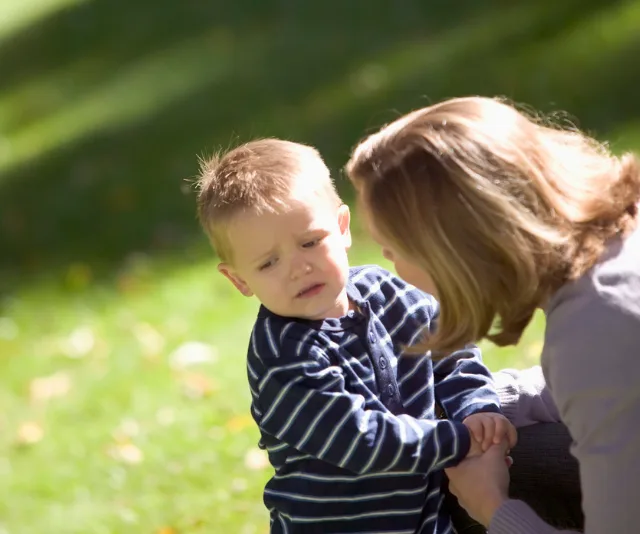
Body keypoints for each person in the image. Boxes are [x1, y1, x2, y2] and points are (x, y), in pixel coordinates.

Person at [345, 95, 640, 533]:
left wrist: (492, 508)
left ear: (456, 251)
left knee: (458, 480)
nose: (391, 268)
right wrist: (474, 404)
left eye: (393, 250)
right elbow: (607, 396)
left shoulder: (595, 326)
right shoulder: (615, 257)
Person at [195, 138, 517, 533]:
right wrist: (462, 438)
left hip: (426, 517)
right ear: (239, 279)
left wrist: (477, 409)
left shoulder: (388, 294)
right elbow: (364, 441)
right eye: (269, 263)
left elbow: (451, 350)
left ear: (342, 227)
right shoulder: (283, 356)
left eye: (310, 242)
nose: (299, 268)